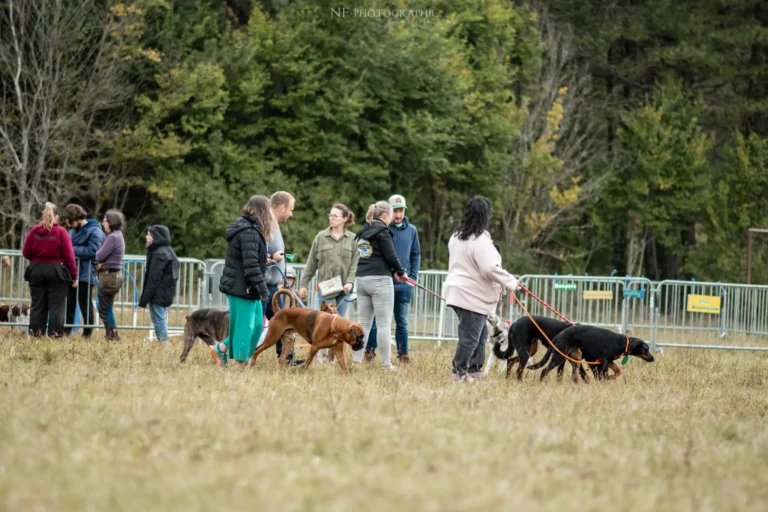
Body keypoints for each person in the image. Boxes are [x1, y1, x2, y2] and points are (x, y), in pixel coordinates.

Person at [444, 196, 522, 382]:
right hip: (472, 295)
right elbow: (489, 268)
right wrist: (512, 282)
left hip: (457, 292)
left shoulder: (456, 237)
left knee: (480, 334)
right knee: (470, 337)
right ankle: (459, 372)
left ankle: (475, 369)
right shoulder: (480, 241)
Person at [211, 195, 272, 367]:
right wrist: (263, 290)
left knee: (257, 326)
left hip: (247, 286)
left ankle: (220, 349)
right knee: (246, 328)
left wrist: (263, 260)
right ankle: (240, 363)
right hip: (243, 287)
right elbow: (250, 266)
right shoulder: (249, 232)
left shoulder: (251, 230)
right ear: (263, 212)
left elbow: (249, 258)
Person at [351, 201, 408, 370]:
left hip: (361, 280)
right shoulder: (383, 232)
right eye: (390, 215)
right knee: (383, 324)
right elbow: (391, 256)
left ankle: (356, 361)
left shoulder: (364, 231)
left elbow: (369, 255)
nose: (391, 219)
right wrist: (400, 271)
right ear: (385, 216)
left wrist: (393, 271)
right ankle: (386, 364)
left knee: (364, 323)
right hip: (379, 281)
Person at [364, 194, 421, 364]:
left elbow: (415, 254)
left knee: (402, 321)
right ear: (389, 211)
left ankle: (403, 354)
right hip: (383, 282)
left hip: (404, 285)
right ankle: (369, 351)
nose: (398, 215)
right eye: (395, 211)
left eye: (401, 211)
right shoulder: (383, 228)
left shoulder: (412, 230)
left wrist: (412, 277)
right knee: (377, 320)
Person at [22, 202, 78, 338]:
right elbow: (69, 256)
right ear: (57, 216)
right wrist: (74, 275)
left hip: (36, 270)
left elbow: (26, 253)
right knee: (56, 307)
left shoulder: (34, 231)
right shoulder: (61, 232)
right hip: (56, 272)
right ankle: (55, 335)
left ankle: (36, 335)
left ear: (42, 215)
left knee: (37, 306)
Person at [299, 203, 359, 318]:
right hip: (326, 289)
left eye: (335, 216)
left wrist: (350, 282)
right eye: (330, 215)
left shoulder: (352, 239)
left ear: (345, 219)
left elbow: (354, 264)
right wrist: (303, 285)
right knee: (324, 323)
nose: (331, 218)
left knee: (339, 324)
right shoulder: (321, 237)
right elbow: (311, 264)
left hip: (344, 290)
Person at [264, 191, 301, 364]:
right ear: (282, 207)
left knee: (285, 324)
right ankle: (233, 353)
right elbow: (260, 252)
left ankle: (287, 358)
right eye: (291, 210)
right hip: (263, 285)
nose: (291, 214)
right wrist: (273, 259)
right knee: (256, 325)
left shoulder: (274, 224)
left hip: (272, 286)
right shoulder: (266, 224)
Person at [64, 204, 105, 338]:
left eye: (71, 221)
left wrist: (71, 250)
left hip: (86, 273)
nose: (69, 225)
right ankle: (67, 330)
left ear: (77, 218)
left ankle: (87, 332)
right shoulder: (73, 230)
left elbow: (93, 251)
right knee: (69, 303)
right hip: (72, 272)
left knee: (85, 304)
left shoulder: (95, 231)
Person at [138, 225, 180, 343]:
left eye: (149, 234)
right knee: (160, 318)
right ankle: (163, 342)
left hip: (159, 292)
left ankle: (163, 343)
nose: (146, 236)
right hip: (165, 291)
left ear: (156, 237)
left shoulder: (159, 253)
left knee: (158, 319)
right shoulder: (167, 250)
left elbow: (153, 278)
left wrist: (144, 300)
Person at [95, 210, 126, 340]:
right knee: (106, 306)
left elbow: (99, 256)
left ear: (111, 222)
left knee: (104, 308)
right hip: (113, 276)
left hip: (109, 277)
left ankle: (112, 335)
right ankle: (111, 334)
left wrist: (99, 251)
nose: (103, 223)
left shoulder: (113, 237)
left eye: (105, 221)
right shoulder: (118, 235)